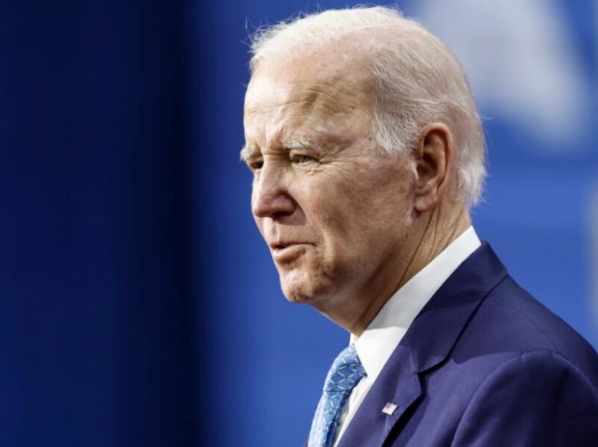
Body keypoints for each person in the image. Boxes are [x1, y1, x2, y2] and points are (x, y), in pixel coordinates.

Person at [241, 6, 598, 447]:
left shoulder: (523, 382)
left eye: (302, 157)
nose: (263, 202)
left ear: (426, 167)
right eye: (256, 164)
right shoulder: (370, 375)